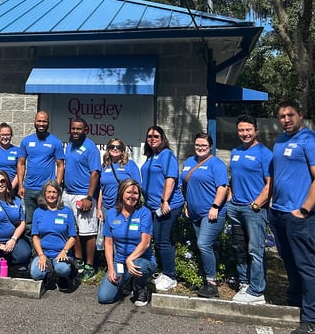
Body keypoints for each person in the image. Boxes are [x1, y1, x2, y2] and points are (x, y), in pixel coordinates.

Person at [269, 99, 315, 334]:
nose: (286, 120)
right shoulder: (279, 141)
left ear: (300, 115)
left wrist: (304, 210)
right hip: (278, 212)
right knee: (289, 262)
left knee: (306, 265)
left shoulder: (310, 140)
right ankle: (296, 301)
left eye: (290, 115)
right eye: (281, 116)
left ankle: (311, 319)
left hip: (300, 215)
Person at [227, 115, 272, 305]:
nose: (244, 133)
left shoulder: (265, 153)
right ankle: (244, 283)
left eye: (248, 130)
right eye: (241, 130)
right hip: (235, 207)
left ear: (256, 131)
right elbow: (233, 178)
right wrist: (230, 198)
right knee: (240, 247)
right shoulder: (235, 151)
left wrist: (257, 204)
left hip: (253, 210)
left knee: (255, 249)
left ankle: (257, 291)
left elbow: (271, 183)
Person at [181, 132, 228, 298]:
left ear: (210, 147)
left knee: (203, 244)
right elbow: (185, 184)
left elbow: (223, 187)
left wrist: (215, 206)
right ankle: (208, 278)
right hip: (194, 214)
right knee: (206, 247)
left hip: (212, 214)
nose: (200, 148)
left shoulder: (216, 164)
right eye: (198, 145)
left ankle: (212, 284)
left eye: (204, 146)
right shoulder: (189, 162)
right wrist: (187, 204)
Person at [97, 178, 156, 307]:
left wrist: (130, 259)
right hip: (120, 262)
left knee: (138, 263)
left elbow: (145, 243)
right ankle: (126, 281)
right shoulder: (112, 213)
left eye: (136, 193)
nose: (132, 196)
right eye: (129, 192)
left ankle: (141, 287)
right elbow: (108, 244)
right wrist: (111, 268)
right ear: (121, 193)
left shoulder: (144, 213)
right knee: (104, 297)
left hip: (142, 261)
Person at [141, 125, 184, 292]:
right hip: (152, 206)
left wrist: (164, 200)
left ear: (162, 138)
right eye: (150, 136)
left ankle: (170, 276)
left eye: (156, 136)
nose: (152, 139)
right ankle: (163, 272)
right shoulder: (152, 156)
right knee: (159, 240)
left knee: (162, 240)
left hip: (167, 206)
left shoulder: (166, 155)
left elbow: (171, 179)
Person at [62, 118, 101, 281]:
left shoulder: (91, 148)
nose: (76, 132)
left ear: (86, 130)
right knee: (74, 229)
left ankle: (90, 265)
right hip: (68, 194)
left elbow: (95, 173)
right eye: (73, 129)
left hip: (83, 195)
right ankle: (78, 259)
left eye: (79, 129)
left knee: (88, 233)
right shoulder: (70, 145)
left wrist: (89, 197)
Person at [17, 111, 65, 236]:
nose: (41, 124)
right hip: (29, 189)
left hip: (46, 190)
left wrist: (56, 186)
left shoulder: (55, 142)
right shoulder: (26, 141)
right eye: (39, 121)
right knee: (29, 224)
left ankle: (45, 251)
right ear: (34, 122)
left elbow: (60, 165)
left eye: (44, 121)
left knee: (46, 222)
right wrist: (21, 186)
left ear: (48, 123)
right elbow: (21, 163)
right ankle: (32, 253)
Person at [30, 180, 77, 292]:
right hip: (44, 252)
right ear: (44, 194)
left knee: (63, 269)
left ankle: (62, 277)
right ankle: (46, 275)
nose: (51, 195)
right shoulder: (38, 212)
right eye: (48, 192)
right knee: (36, 274)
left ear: (59, 194)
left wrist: (64, 251)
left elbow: (73, 237)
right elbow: (35, 236)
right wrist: (41, 255)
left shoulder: (66, 211)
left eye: (54, 192)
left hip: (61, 252)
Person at [97, 138, 141, 222]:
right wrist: (99, 208)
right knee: (107, 234)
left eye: (118, 147)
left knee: (121, 233)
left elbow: (137, 186)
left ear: (123, 150)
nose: (115, 149)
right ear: (108, 149)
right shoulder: (104, 166)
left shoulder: (130, 164)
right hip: (106, 208)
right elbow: (101, 189)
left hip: (124, 207)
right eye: (112, 146)